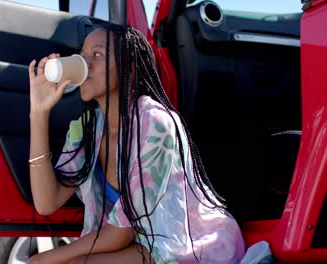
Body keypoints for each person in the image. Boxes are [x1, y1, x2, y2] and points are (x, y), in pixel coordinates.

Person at [27, 23, 245, 264]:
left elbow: (122, 231)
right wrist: (38, 112)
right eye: (82, 54)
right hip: (140, 242)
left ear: (128, 67)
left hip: (187, 243)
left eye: (97, 54)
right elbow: (47, 202)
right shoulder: (86, 129)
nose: (83, 62)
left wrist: (45, 259)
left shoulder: (155, 124)